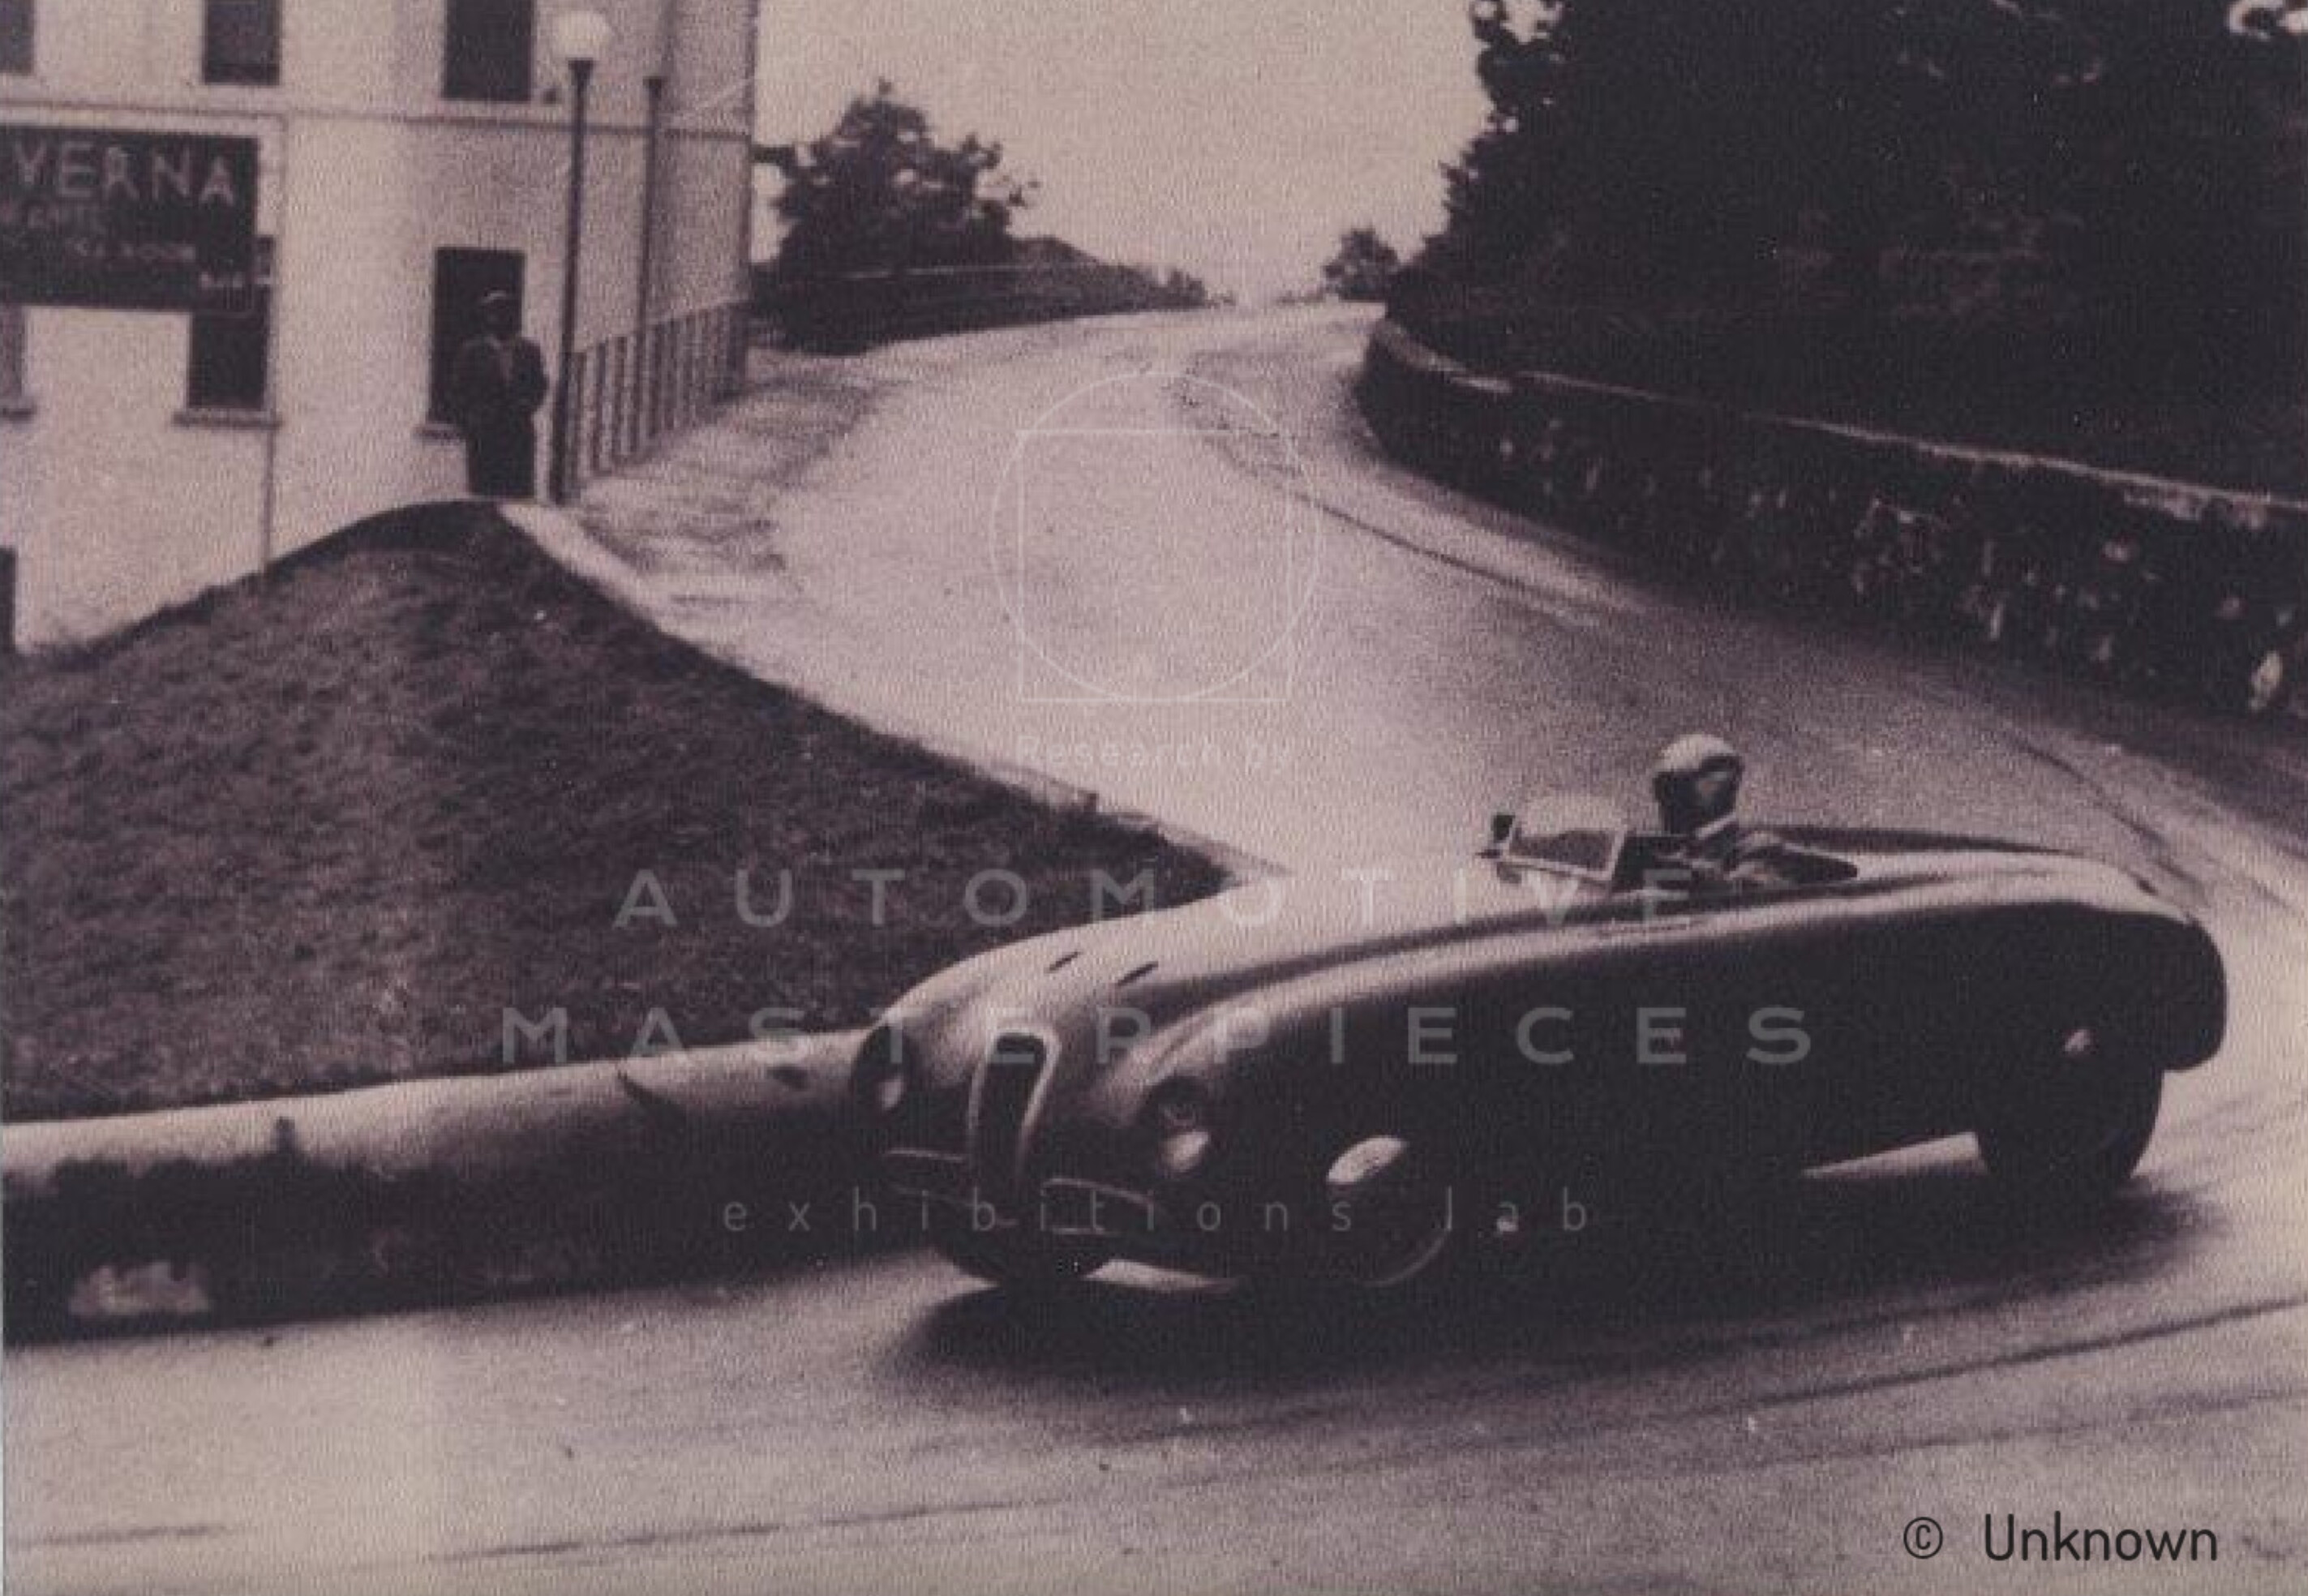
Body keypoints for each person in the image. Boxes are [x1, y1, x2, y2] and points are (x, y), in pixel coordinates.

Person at [1648, 732, 1799, 892]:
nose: (1663, 800)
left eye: (1673, 787)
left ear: (1719, 787)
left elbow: (1746, 892)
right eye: (1660, 790)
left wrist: (1684, 874)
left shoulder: (1758, 846)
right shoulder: (1681, 853)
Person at [449, 290, 547, 499]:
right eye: (494, 314)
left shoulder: (529, 351)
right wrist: (470, 422)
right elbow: (458, 392)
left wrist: (528, 404)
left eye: (506, 314)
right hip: (484, 436)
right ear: (487, 319)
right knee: (484, 494)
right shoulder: (472, 352)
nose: (500, 320)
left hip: (517, 434)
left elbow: (539, 385)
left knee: (516, 495)